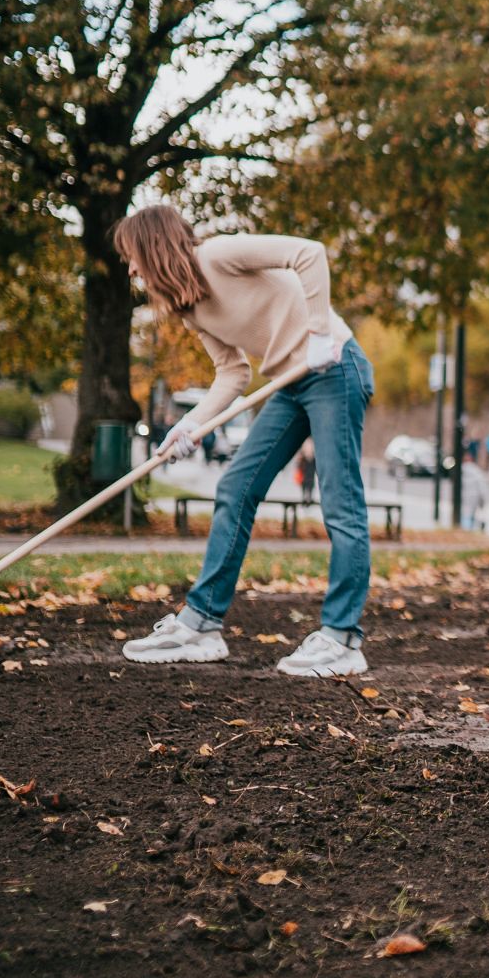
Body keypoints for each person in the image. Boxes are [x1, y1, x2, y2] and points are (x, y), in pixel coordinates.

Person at [111, 204, 377, 678]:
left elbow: (308, 253)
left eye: (133, 255)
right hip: (290, 382)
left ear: (154, 247)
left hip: (333, 366)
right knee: (236, 486)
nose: (130, 268)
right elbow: (233, 374)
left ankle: (342, 639)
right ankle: (200, 625)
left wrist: (318, 333)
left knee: (340, 500)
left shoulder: (220, 255)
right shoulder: (188, 307)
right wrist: (189, 427)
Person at [459, 450, 489, 530]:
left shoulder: (460, 470)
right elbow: (482, 486)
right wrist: (483, 499)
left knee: (465, 514)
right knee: (471, 514)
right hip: (474, 496)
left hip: (464, 496)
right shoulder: (476, 471)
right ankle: (469, 529)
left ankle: (466, 529)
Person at [295, 438, 318, 505]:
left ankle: (308, 498)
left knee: (309, 485)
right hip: (305, 477)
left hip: (309, 477)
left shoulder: (311, 460)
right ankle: (305, 498)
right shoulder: (304, 459)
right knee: (305, 486)